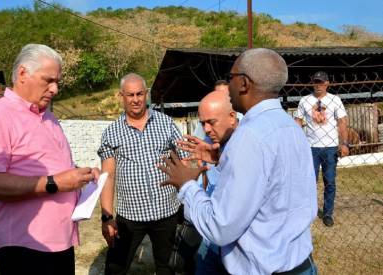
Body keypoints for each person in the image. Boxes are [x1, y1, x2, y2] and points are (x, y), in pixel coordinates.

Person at [159, 48, 318, 274]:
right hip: (301, 265)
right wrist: (221, 159)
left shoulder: (249, 135)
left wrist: (186, 185)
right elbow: (273, 187)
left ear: (243, 83)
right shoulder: (290, 126)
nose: (228, 86)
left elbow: (220, 227)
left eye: (231, 77)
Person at [0, 44, 100, 275]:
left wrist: (81, 174)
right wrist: (55, 183)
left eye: (57, 81)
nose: (55, 89)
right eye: (48, 80)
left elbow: (56, 167)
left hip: (59, 240)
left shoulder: (49, 118)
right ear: (22, 74)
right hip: (24, 245)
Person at [98, 73, 188, 275]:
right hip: (130, 217)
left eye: (140, 93)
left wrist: (187, 199)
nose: (136, 99)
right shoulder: (111, 133)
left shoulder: (165, 123)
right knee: (115, 267)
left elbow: (184, 161)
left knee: (168, 268)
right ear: (121, 96)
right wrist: (106, 216)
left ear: (146, 94)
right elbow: (108, 176)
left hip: (167, 211)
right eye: (130, 95)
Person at [189, 91, 239, 274]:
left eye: (211, 122)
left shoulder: (249, 145)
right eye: (203, 123)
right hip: (211, 240)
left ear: (232, 117)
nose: (207, 129)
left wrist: (186, 186)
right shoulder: (213, 144)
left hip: (236, 244)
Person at [295, 71, 349, 227]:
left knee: (330, 181)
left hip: (330, 147)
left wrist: (344, 143)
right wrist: (298, 143)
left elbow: (342, 122)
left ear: (327, 83)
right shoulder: (305, 100)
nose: (318, 85)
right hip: (310, 147)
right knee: (309, 181)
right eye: (315, 81)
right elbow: (298, 121)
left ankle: (327, 213)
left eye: (321, 82)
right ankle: (308, 211)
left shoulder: (335, 100)